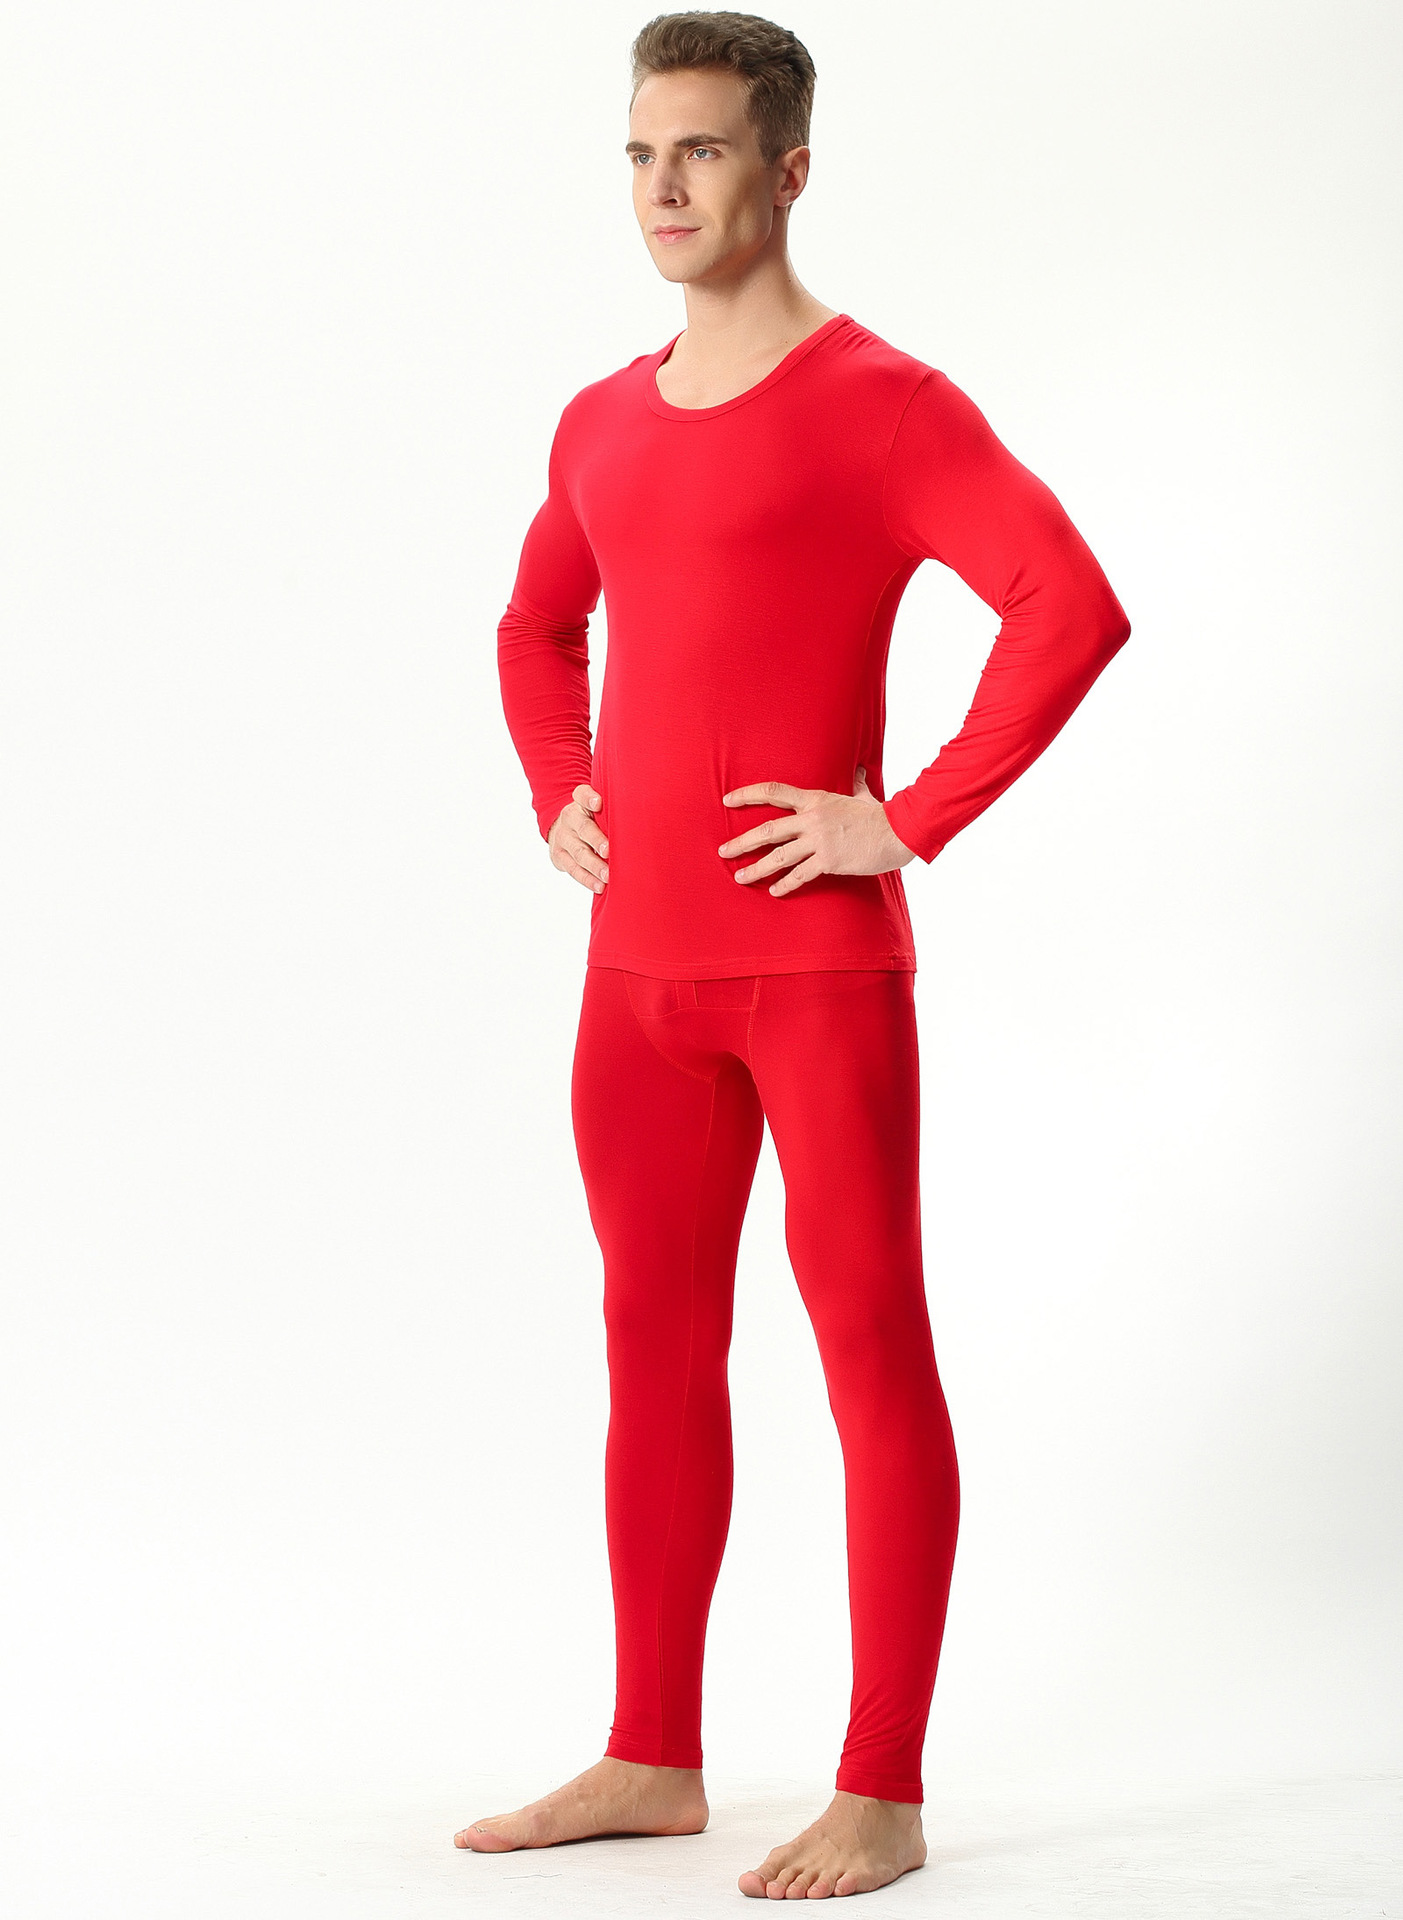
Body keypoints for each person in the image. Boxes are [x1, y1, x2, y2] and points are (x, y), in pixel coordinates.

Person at [457, 9, 1131, 1900]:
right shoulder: (599, 419)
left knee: (868, 1353)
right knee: (654, 1354)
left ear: (791, 169)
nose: (663, 187)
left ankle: (881, 1788)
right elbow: (534, 625)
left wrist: (902, 818)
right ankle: (649, 1754)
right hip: (637, 987)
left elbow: (1068, 605)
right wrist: (559, 786)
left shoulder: (883, 405)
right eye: (639, 153)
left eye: (702, 150)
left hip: (819, 981)